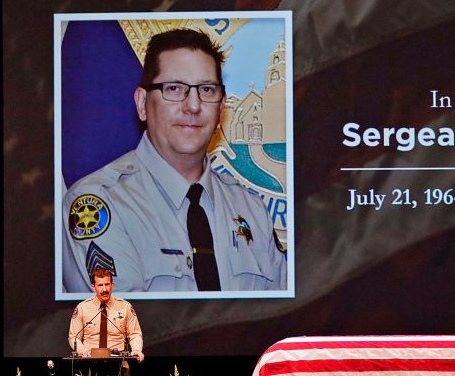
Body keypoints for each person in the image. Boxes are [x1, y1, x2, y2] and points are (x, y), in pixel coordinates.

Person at [62, 28, 287, 294]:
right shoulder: (100, 204)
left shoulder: (251, 209)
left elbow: (280, 318)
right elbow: (120, 327)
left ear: (221, 107)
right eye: (174, 88)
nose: (193, 105)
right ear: (143, 103)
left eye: (206, 89)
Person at [68, 269, 144, 361]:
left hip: (118, 361)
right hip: (89, 360)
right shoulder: (82, 308)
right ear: (93, 287)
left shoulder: (125, 307)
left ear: (112, 285)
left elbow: (135, 334)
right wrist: (83, 351)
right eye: (100, 285)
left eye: (107, 284)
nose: (104, 289)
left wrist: (136, 349)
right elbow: (74, 337)